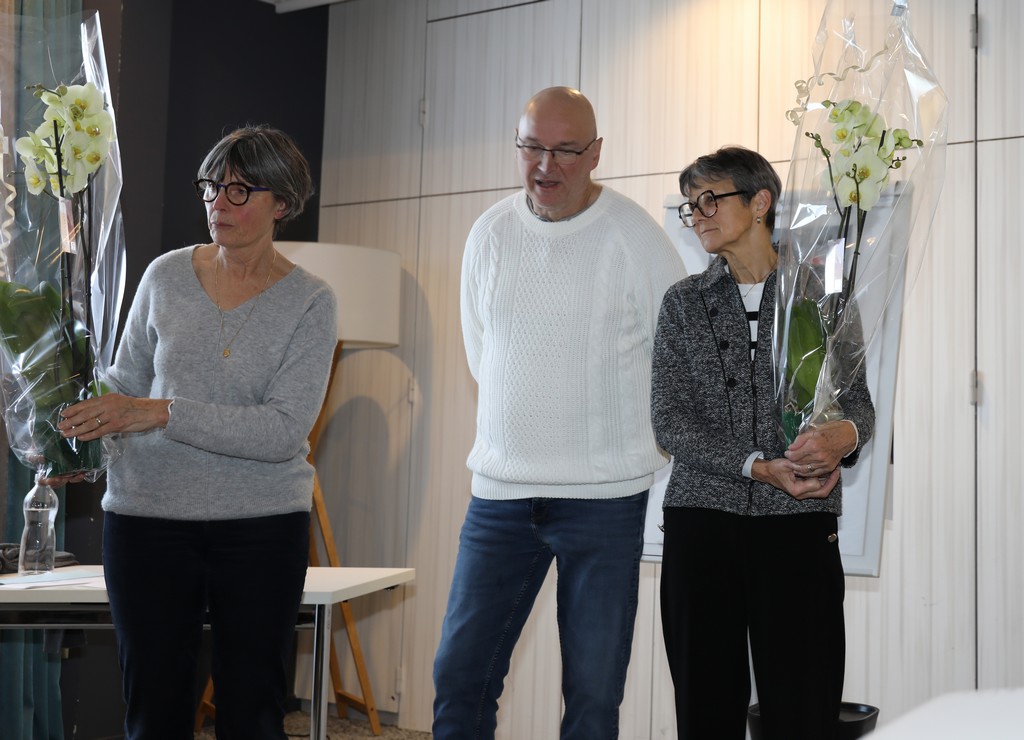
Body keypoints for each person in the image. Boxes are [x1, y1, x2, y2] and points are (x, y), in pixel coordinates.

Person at [53, 125, 337, 739]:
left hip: (261, 527)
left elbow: (282, 431)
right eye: (211, 186)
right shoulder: (165, 275)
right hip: (147, 520)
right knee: (152, 713)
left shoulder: (311, 302)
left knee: (253, 714)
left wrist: (163, 412)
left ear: (282, 202)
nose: (218, 203)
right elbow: (125, 385)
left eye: (240, 190)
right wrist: (76, 432)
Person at [432, 86, 684, 740]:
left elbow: (676, 360)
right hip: (499, 495)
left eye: (566, 150)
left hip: (604, 500)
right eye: (532, 148)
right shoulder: (489, 233)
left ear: (596, 153)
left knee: (593, 697)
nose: (546, 166)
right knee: (460, 677)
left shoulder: (636, 238)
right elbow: (484, 354)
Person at [651, 146, 875, 740]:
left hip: (799, 523)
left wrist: (842, 437)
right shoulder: (682, 303)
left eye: (709, 199)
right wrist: (755, 465)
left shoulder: (821, 294)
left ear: (759, 203)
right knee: (705, 706)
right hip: (702, 523)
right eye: (690, 205)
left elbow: (859, 406)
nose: (696, 215)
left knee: (803, 705)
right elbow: (669, 423)